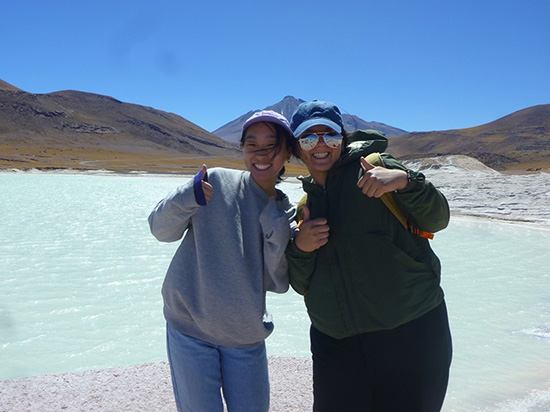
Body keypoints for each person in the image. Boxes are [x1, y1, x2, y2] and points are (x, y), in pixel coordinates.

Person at [286, 100, 453, 412]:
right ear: (297, 147)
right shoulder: (305, 207)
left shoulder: (376, 169)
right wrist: (300, 248)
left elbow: (438, 219)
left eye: (330, 136)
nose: (320, 146)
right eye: (308, 138)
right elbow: (300, 283)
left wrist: (404, 181)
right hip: (335, 343)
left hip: (410, 332)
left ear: (343, 139)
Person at [148, 110, 296, 412]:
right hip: (189, 329)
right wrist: (188, 196)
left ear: (287, 153)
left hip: (246, 337)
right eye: (252, 144)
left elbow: (279, 283)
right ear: (242, 149)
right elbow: (160, 230)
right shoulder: (214, 182)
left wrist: (276, 228)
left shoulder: (285, 212)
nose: (261, 154)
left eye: (272, 145)